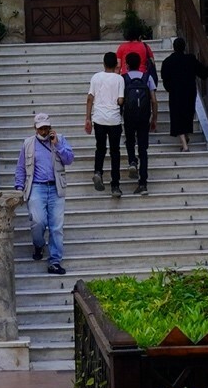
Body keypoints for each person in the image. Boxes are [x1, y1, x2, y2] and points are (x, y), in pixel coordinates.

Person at [12, 114, 74, 274]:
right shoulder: (28, 144)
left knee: (56, 227)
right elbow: (21, 168)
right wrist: (19, 187)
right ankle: (38, 244)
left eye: (46, 127)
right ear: (35, 128)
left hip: (56, 188)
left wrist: (58, 145)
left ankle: (54, 261)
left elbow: (69, 159)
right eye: (41, 128)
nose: (44, 131)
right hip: (36, 187)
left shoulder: (59, 139)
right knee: (38, 221)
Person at [85, 50, 126, 195]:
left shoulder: (96, 77)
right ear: (116, 64)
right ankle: (115, 185)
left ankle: (98, 172)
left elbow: (90, 98)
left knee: (100, 148)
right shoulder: (119, 79)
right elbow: (121, 100)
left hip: (99, 119)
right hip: (114, 120)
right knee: (115, 152)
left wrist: (88, 118)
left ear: (103, 64)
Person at [119, 49, 155, 193]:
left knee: (129, 140)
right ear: (140, 63)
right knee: (143, 148)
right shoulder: (147, 77)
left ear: (126, 64)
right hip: (144, 117)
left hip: (129, 116)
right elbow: (153, 100)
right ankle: (143, 183)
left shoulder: (123, 78)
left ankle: (132, 161)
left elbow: (121, 100)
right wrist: (154, 118)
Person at [160, 39, 201, 146]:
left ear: (174, 47)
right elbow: (202, 71)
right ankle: (185, 137)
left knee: (177, 116)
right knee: (187, 114)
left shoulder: (168, 61)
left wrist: (171, 89)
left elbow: (165, 79)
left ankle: (184, 143)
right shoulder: (190, 59)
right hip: (189, 92)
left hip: (176, 93)